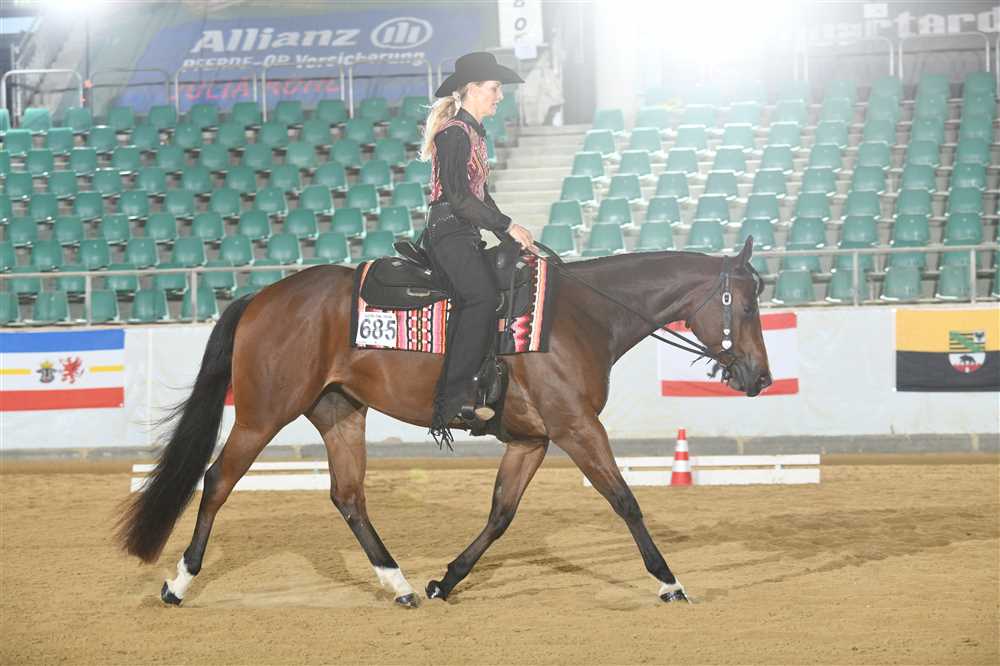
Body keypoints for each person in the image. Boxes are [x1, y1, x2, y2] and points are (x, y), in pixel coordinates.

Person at [419, 52, 535, 447]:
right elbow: (457, 197)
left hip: (465, 233)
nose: (499, 96)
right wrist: (505, 225)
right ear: (471, 89)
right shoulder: (454, 133)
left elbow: (480, 197)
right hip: (448, 232)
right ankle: (451, 401)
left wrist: (509, 234)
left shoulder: (474, 134)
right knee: (481, 297)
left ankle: (488, 386)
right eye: (494, 88)